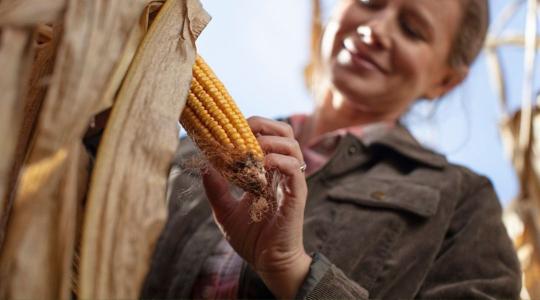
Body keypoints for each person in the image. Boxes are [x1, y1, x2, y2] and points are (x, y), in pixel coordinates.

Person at [141, 0, 521, 299]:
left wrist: (292, 270)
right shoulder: (190, 149)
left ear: (445, 81)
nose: (375, 30)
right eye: (370, 1)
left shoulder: (462, 201)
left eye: (412, 29)